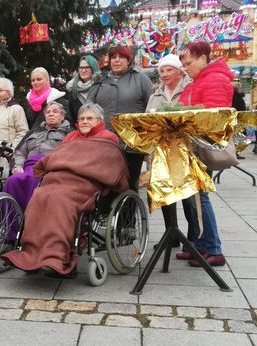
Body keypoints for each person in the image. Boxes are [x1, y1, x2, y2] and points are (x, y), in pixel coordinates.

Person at [2, 103, 128, 277]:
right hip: (59, 180)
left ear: (99, 121)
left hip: (85, 184)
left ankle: (57, 257)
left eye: (89, 118)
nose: (84, 121)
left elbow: (109, 165)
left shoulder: (108, 138)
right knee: (39, 195)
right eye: (82, 118)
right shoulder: (71, 137)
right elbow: (55, 158)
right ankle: (31, 254)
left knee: (60, 200)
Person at [177, 41, 232, 267]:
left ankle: (213, 249)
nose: (186, 68)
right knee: (193, 198)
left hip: (203, 146)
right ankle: (199, 246)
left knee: (201, 197)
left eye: (189, 63)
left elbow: (213, 118)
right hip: (192, 146)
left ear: (203, 58)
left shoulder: (215, 80)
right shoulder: (196, 81)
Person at [88, 45, 153, 191]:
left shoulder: (141, 79)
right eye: (113, 57)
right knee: (105, 182)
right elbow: (88, 108)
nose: (117, 60)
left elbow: (152, 106)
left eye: (121, 57)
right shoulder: (100, 81)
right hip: (104, 141)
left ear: (128, 60)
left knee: (129, 183)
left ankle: (130, 213)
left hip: (132, 143)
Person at [145, 54, 194, 249]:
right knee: (165, 193)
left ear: (180, 71)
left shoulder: (190, 90)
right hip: (161, 151)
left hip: (186, 150)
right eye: (162, 71)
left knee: (189, 194)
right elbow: (147, 122)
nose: (164, 74)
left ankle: (193, 237)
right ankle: (170, 234)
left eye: (169, 70)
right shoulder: (155, 95)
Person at [4, 101, 70, 233]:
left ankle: (30, 228)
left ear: (62, 116)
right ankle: (11, 230)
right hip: (28, 167)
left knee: (35, 182)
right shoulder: (33, 133)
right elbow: (20, 152)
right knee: (11, 181)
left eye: (55, 112)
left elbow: (69, 155)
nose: (50, 114)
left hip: (50, 168)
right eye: (48, 112)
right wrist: (17, 166)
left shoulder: (68, 134)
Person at [66, 55, 101, 123]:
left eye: (87, 67)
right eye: (81, 68)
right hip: (81, 130)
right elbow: (72, 116)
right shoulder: (73, 89)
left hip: (100, 129)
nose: (83, 70)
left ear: (93, 68)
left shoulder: (101, 85)